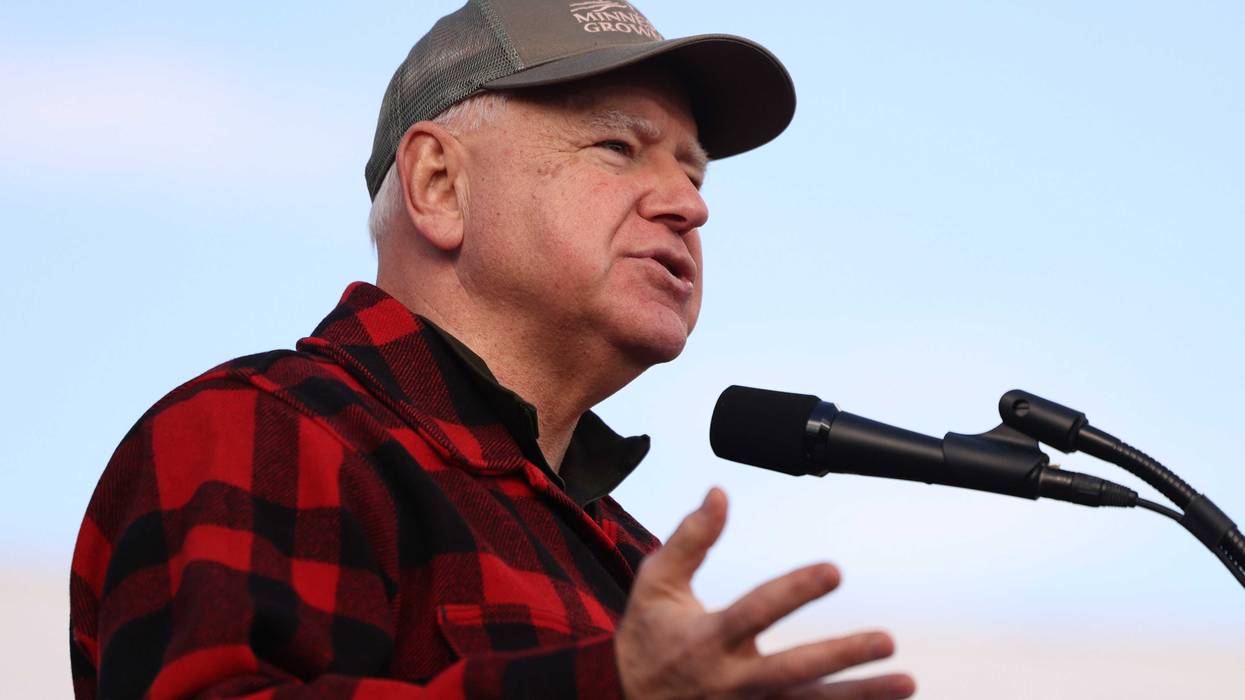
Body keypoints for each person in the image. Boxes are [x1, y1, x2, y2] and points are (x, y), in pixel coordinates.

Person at [70, 1, 917, 698]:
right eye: (617, 147)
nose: (687, 208)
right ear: (439, 185)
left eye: (694, 176)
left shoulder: (632, 562)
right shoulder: (266, 430)